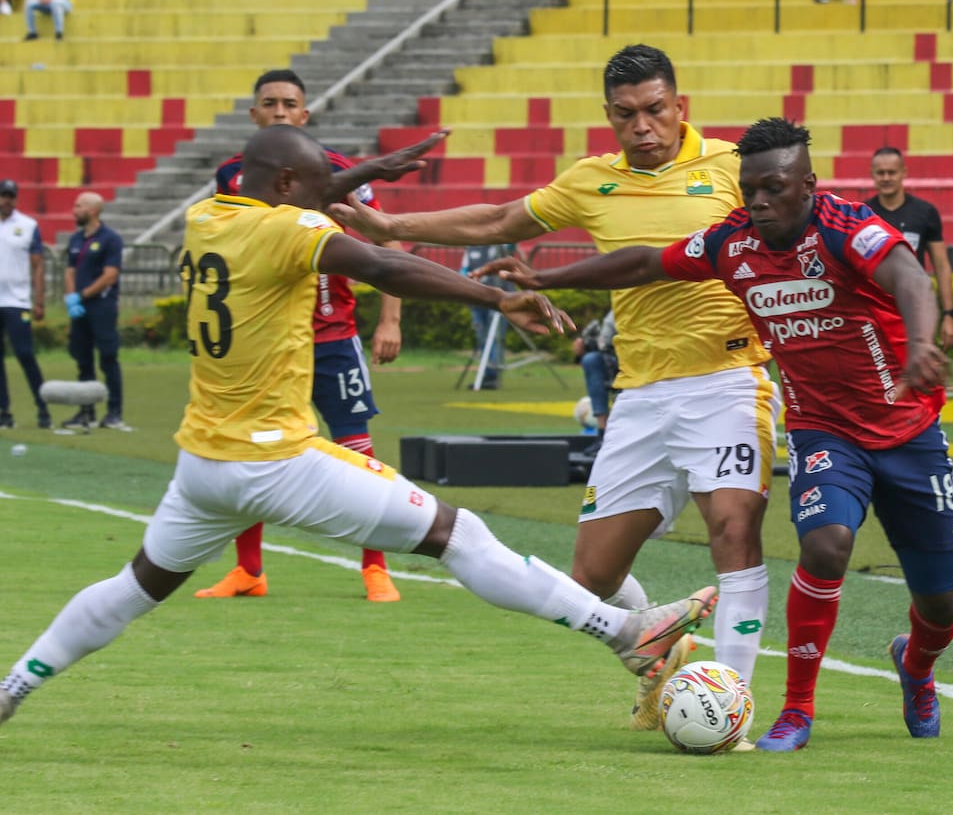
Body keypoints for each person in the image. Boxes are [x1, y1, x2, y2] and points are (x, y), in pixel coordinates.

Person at [0, 124, 718, 731]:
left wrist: (360, 174)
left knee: (135, 586)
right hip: (277, 461)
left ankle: (16, 685)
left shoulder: (207, 216)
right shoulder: (292, 230)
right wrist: (496, 298)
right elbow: (382, 265)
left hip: (201, 467)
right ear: (288, 187)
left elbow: (294, 196)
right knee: (456, 535)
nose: (333, 204)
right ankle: (626, 634)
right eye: (323, 190)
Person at [330, 44, 782, 738]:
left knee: (733, 530)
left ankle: (732, 704)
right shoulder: (590, 181)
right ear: (609, 117)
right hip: (639, 395)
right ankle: (663, 644)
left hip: (726, 381)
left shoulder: (729, 166)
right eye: (627, 114)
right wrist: (392, 228)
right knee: (591, 577)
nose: (644, 126)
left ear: (679, 107)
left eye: (656, 110)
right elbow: (496, 221)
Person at [476, 117, 953, 752]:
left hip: (907, 429)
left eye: (774, 188)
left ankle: (917, 666)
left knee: (942, 603)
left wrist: (922, 343)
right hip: (824, 431)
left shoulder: (847, 229)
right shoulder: (732, 242)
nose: (758, 202)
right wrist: (548, 279)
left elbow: (910, 275)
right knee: (825, 545)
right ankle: (796, 710)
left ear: (808, 185)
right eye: (749, 189)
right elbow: (647, 261)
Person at [194, 67, 436, 603]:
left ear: (305, 115)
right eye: (269, 103)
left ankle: (375, 568)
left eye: (289, 104)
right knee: (247, 449)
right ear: (254, 115)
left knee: (355, 443)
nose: (279, 111)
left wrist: (390, 319)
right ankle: (249, 570)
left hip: (330, 334)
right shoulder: (232, 175)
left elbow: (385, 242)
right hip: (259, 344)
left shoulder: (340, 172)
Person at [864, 147, 953, 350]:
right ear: (872, 174)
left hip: (916, 308)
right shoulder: (863, 215)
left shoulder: (925, 212)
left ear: (903, 173)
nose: (886, 178)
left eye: (892, 172)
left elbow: (941, 266)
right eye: (881, 173)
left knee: (921, 372)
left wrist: (949, 315)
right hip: (875, 312)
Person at [62, 192, 125, 431]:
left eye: (78, 206)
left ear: (92, 211)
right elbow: (70, 271)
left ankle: (114, 412)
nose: (73, 210)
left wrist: (83, 294)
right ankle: (85, 411)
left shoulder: (110, 239)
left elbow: (110, 275)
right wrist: (71, 297)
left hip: (102, 306)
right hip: (80, 307)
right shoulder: (76, 239)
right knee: (82, 358)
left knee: (108, 357)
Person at [0, 179, 52, 430]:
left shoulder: (28, 225)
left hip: (17, 301)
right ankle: (4, 410)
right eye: (2, 195)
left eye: (10, 196)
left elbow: (38, 264)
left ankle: (43, 407)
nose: (6, 200)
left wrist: (39, 299)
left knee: (24, 354)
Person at [462, 243, 516, 389]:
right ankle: (488, 372)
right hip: (477, 299)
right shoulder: (471, 248)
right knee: (482, 338)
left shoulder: (502, 245)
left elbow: (512, 243)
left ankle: (491, 374)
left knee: (496, 337)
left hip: (501, 298)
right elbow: (464, 270)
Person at [574, 308, 617, 456]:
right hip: (617, 358)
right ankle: (602, 433)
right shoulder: (617, 308)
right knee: (591, 359)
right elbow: (605, 340)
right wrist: (587, 345)